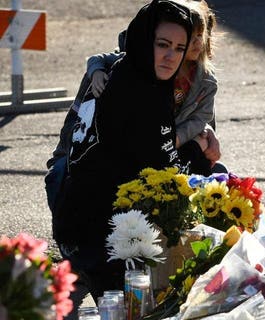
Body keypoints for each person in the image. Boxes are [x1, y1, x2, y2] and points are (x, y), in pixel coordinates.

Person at [51, 0, 206, 316]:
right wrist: (200, 155)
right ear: (143, 39)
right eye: (162, 44)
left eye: (178, 48)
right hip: (99, 231)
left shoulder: (141, 75)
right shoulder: (134, 89)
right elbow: (159, 163)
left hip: (101, 221)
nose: (170, 56)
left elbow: (156, 155)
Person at [44, 0, 223, 213]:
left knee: (218, 175)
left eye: (195, 37)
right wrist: (95, 70)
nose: (192, 43)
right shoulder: (125, 73)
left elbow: (200, 123)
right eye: (164, 43)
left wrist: (201, 136)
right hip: (92, 175)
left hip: (162, 157)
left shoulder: (202, 80)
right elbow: (123, 152)